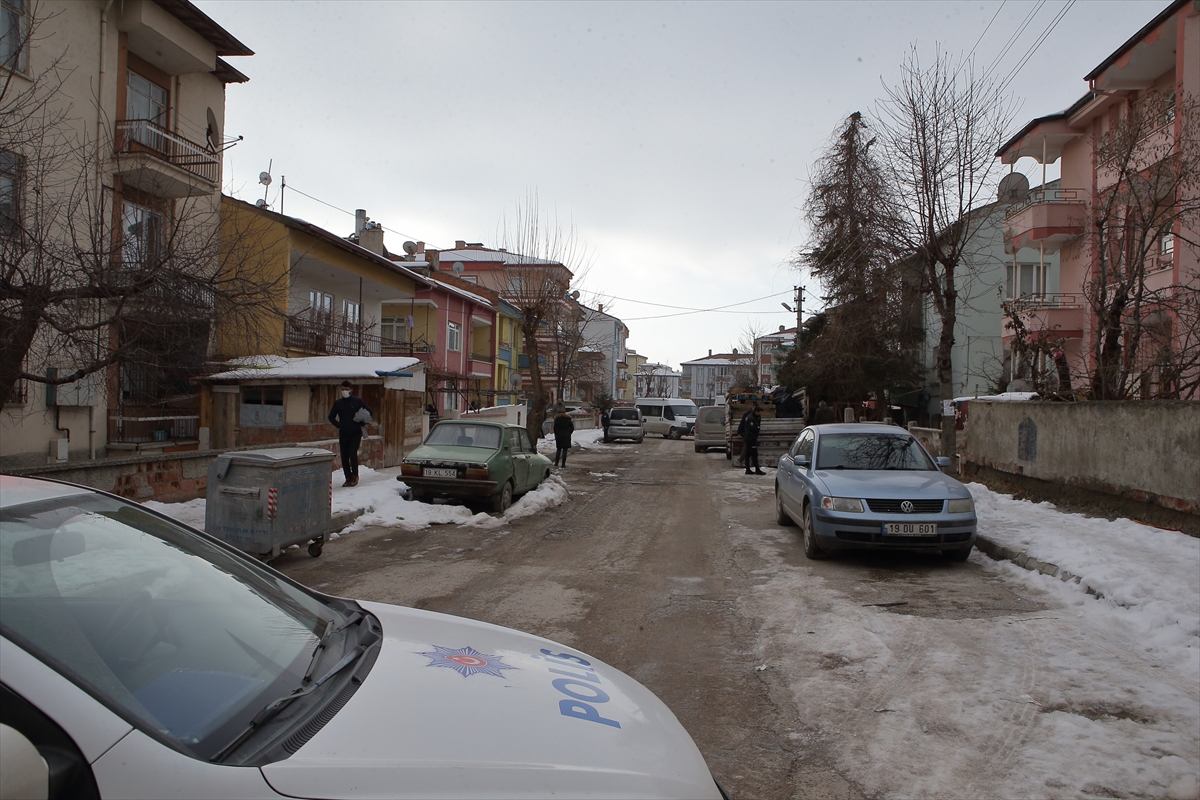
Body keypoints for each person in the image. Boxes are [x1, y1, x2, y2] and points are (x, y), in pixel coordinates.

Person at [329, 381, 371, 487]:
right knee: (344, 456)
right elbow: (331, 416)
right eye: (342, 389)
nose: (344, 391)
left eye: (346, 389)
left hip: (356, 432)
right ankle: (347, 477)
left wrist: (363, 422)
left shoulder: (357, 401)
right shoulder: (338, 403)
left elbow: (369, 412)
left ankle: (354, 476)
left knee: (352, 453)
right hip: (343, 432)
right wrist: (339, 425)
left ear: (351, 390)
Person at [738, 404, 765, 475]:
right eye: (759, 412)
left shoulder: (755, 417)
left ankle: (749, 469)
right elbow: (752, 428)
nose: (760, 414)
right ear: (756, 411)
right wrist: (757, 428)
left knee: (748, 453)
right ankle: (756, 469)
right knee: (753, 454)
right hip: (750, 438)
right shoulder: (751, 418)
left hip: (751, 438)